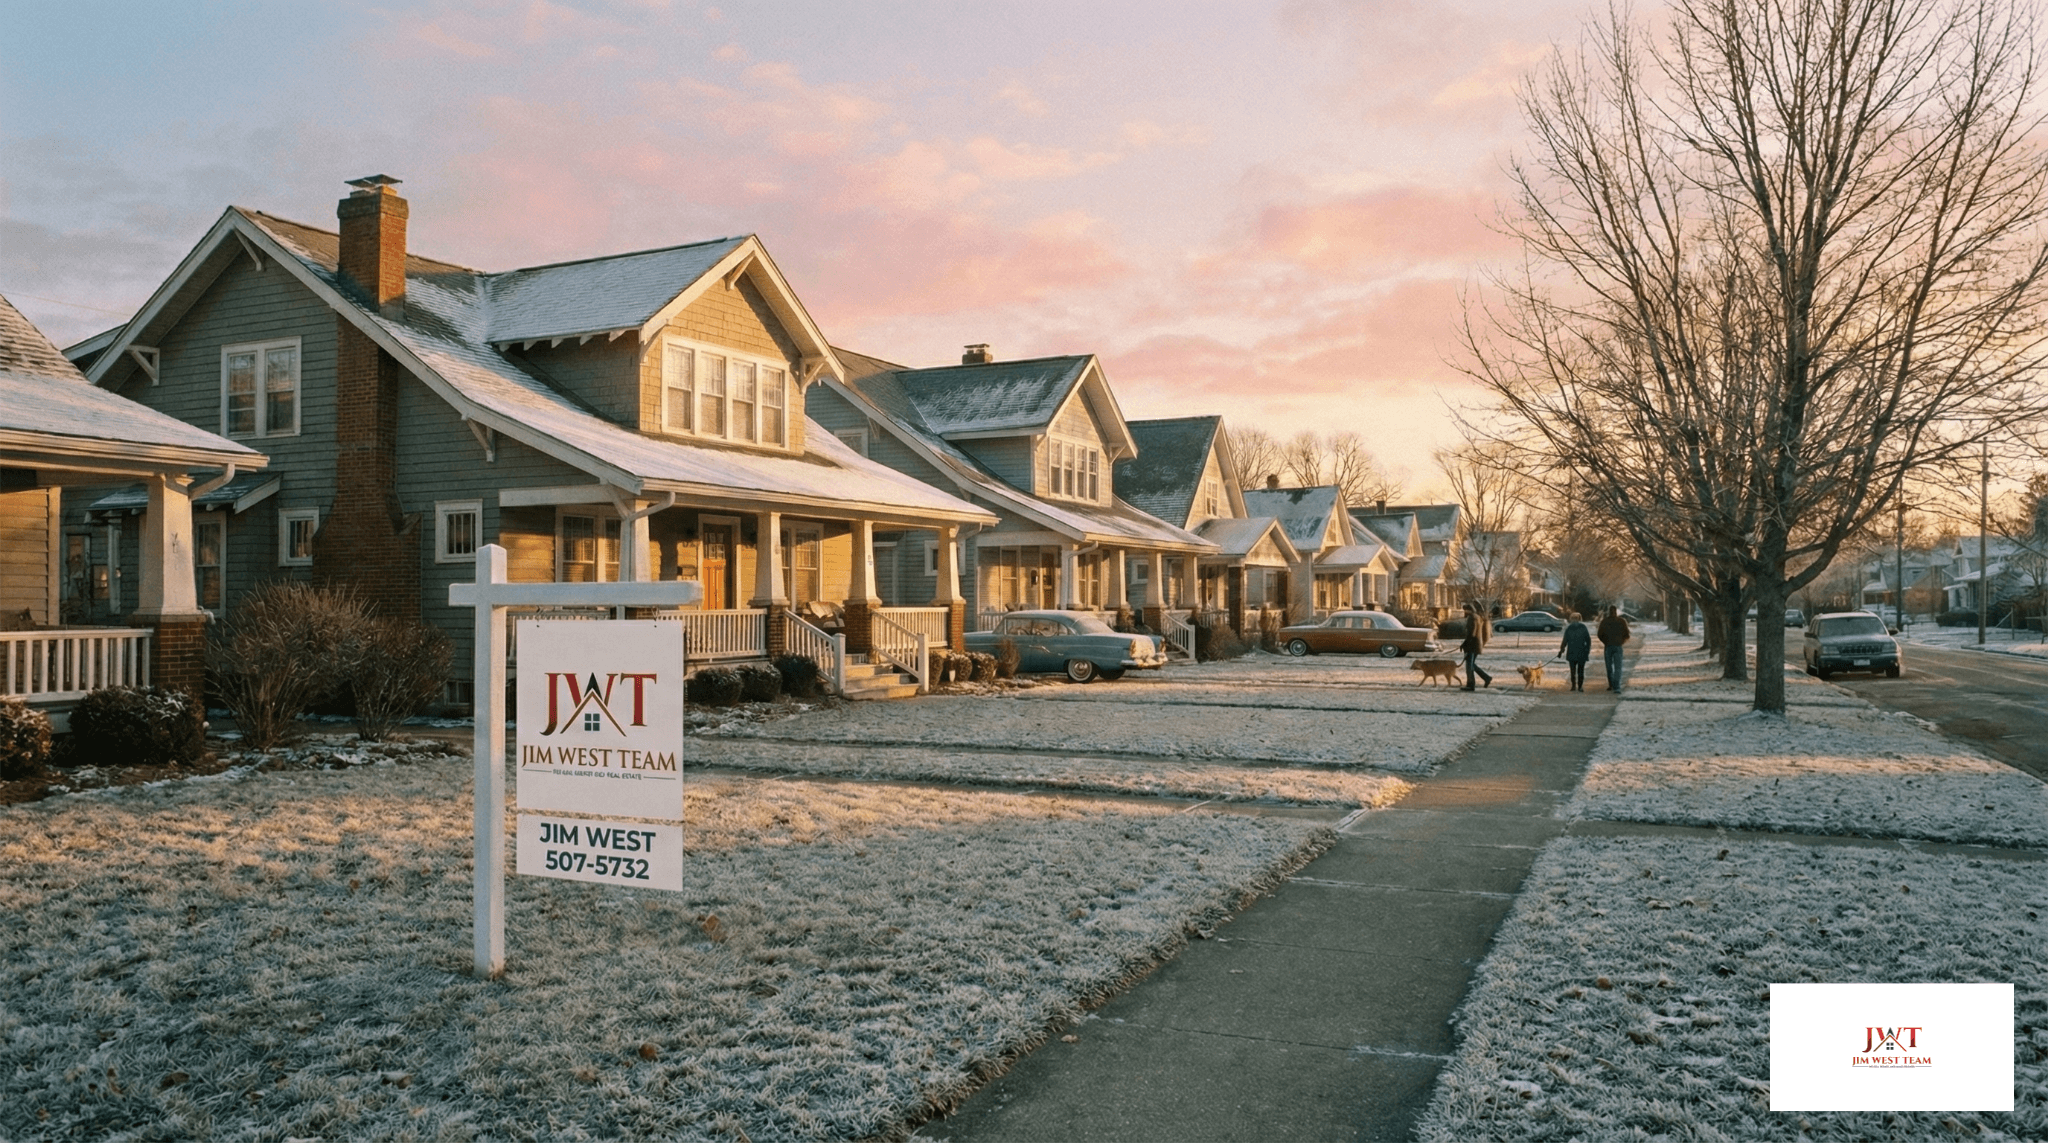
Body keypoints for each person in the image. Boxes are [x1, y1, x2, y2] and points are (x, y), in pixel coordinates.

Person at [1596, 605, 1632, 692]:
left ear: (1609, 611)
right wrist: (1621, 641)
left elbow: (1599, 634)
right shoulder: (1621, 621)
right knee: (1618, 667)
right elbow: (1627, 634)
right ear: (1616, 612)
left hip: (1608, 646)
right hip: (1618, 646)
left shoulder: (1604, 622)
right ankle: (1617, 686)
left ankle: (1611, 684)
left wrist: (1605, 642)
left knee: (1609, 667)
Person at [1559, 611, 1592, 691]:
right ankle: (1580, 686)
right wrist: (1587, 650)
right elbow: (1588, 640)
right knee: (1581, 671)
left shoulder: (1569, 628)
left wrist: (1561, 650)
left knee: (1572, 671)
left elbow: (1565, 641)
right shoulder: (1583, 627)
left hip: (1572, 652)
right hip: (1582, 652)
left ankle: (1573, 686)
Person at [1459, 619, 1492, 691]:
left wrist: (1465, 644)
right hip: (1476, 645)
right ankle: (1486, 678)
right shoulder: (1478, 618)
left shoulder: (1472, 619)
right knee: (1472, 665)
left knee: (1469, 666)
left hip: (1471, 646)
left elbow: (1472, 634)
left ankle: (1471, 685)